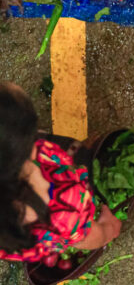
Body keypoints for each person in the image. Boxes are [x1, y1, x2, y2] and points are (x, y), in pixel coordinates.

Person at [0, 83, 122, 264]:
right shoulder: (62, 205)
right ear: (30, 151)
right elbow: (87, 237)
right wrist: (108, 229)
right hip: (60, 215)